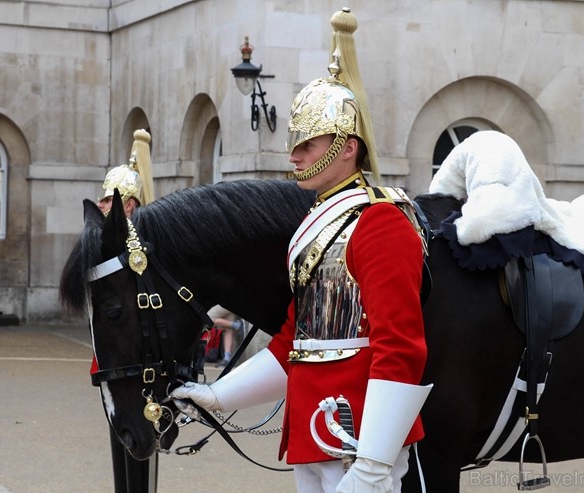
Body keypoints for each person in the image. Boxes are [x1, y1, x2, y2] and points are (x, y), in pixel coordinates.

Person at [172, 8, 431, 493]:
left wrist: (374, 462)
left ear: (347, 147)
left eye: (309, 144)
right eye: (296, 142)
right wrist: (219, 395)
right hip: (313, 430)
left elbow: (400, 345)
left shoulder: (378, 221)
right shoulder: (316, 222)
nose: (294, 154)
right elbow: (298, 340)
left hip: (357, 435)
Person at [92, 128, 158, 493]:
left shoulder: (142, 248)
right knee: (118, 437)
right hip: (113, 356)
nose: (103, 206)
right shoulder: (107, 245)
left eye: (108, 200)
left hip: (143, 357)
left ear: (128, 204)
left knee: (140, 441)